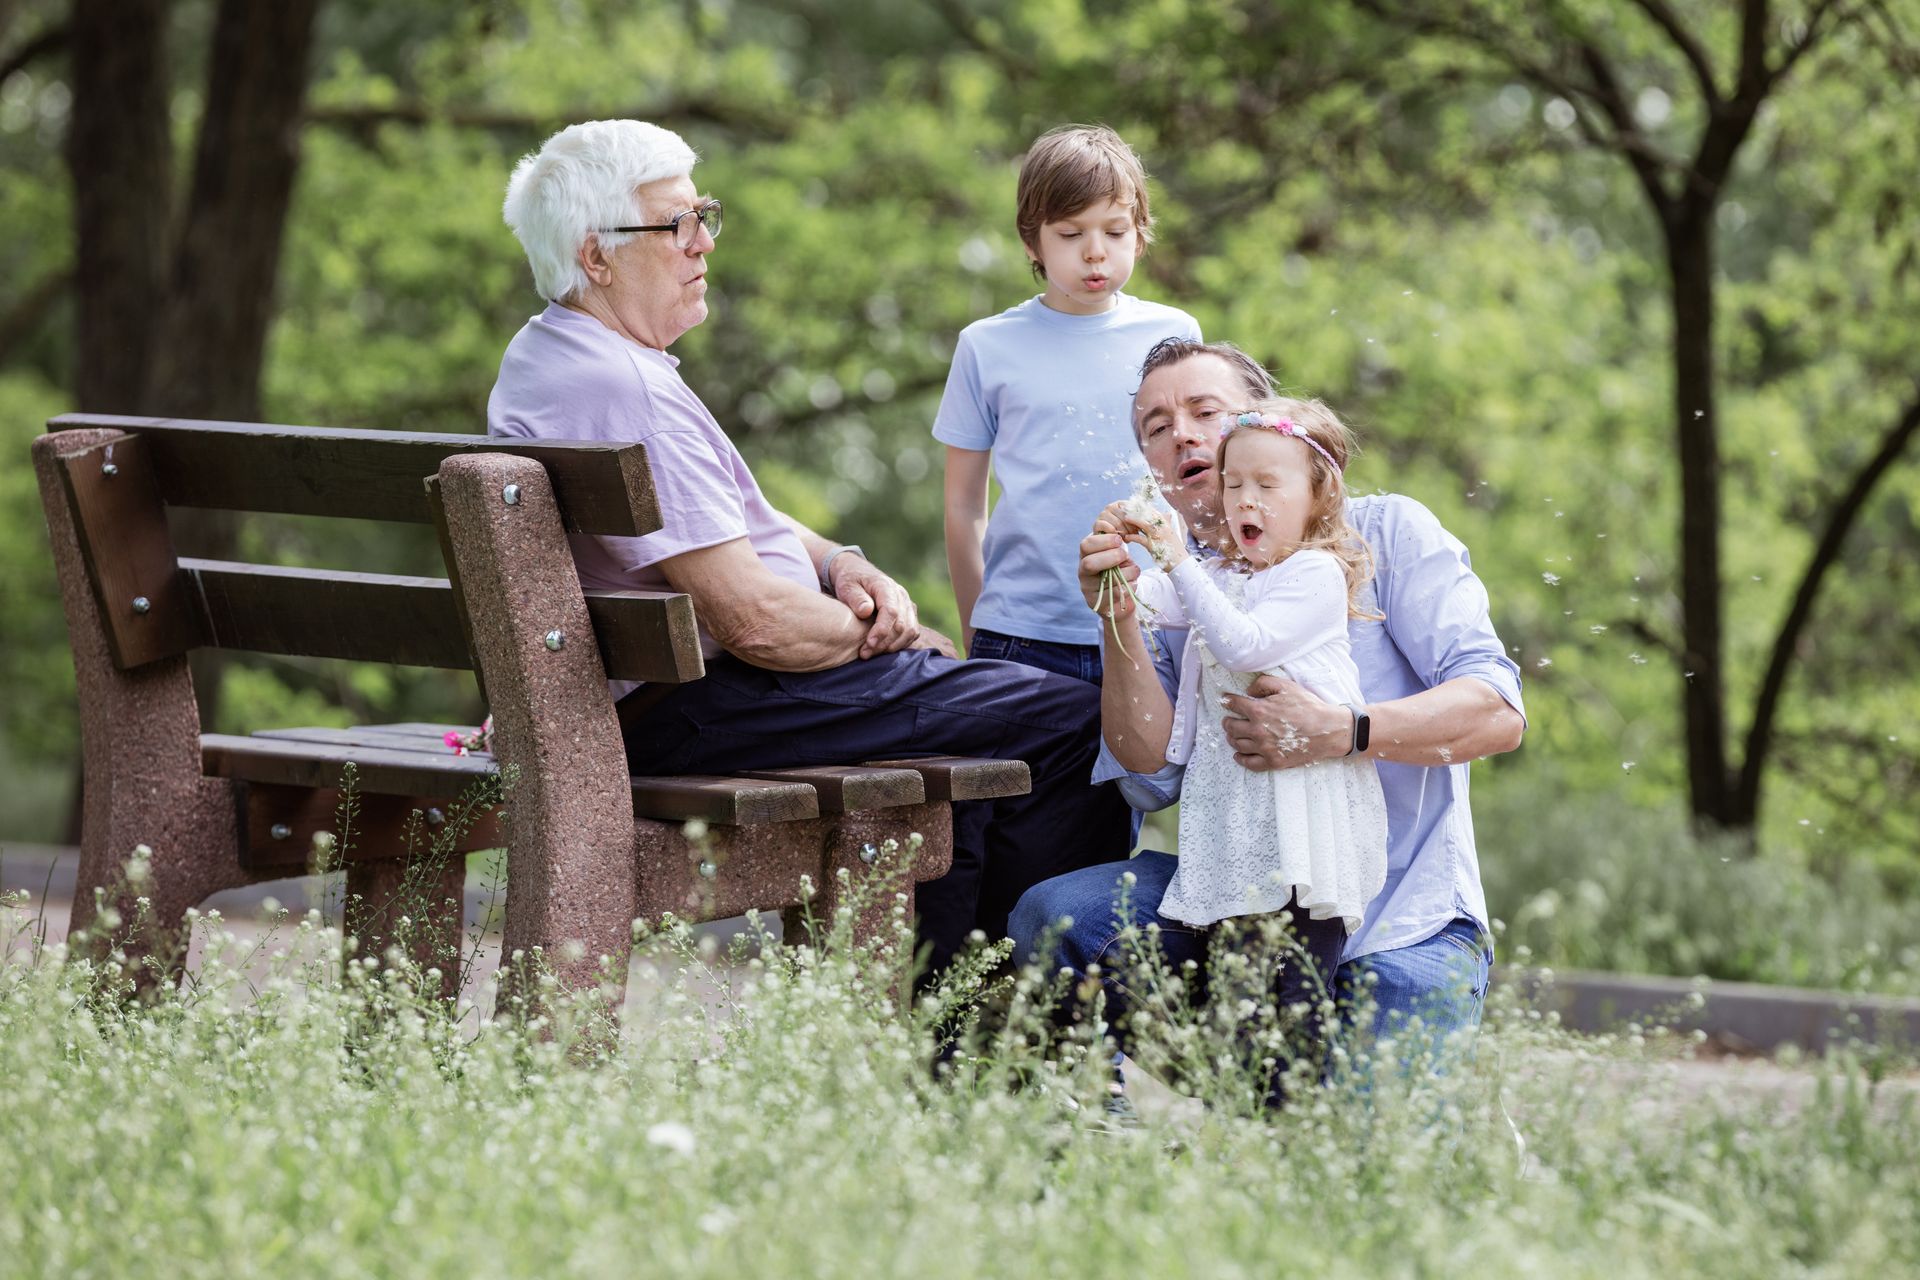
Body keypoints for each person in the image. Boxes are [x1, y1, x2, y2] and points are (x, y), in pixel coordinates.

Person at [486, 119, 1132, 976]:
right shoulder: (625, 387)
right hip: (703, 702)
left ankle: (959, 1010)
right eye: (674, 225)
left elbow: (740, 520)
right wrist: (888, 637)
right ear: (595, 256)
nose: (703, 243)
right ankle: (1011, 1005)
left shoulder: (552, 353)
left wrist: (841, 561)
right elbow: (756, 621)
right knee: (1075, 722)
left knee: (974, 718)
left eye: (703, 215)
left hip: (651, 697)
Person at [1010, 337, 1526, 1082]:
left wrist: (1342, 732)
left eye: (1204, 411)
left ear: (1274, 429)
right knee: (1059, 919)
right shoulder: (1188, 587)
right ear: (1156, 470)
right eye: (1155, 427)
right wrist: (1117, 614)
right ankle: (1244, 1098)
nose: (1180, 433)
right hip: (1248, 887)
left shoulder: (1382, 535)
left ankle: (1317, 1100)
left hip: (1404, 917)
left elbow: (1498, 711)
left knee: (1361, 1152)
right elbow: (1148, 766)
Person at [937, 124, 1201, 679]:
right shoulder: (986, 346)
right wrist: (976, 630)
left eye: (1115, 230)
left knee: (1151, 770)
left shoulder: (1175, 334)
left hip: (1157, 621)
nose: (1095, 253)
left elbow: (1196, 479)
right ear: (1033, 241)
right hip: (1022, 637)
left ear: (1140, 232)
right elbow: (964, 507)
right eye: (1070, 233)